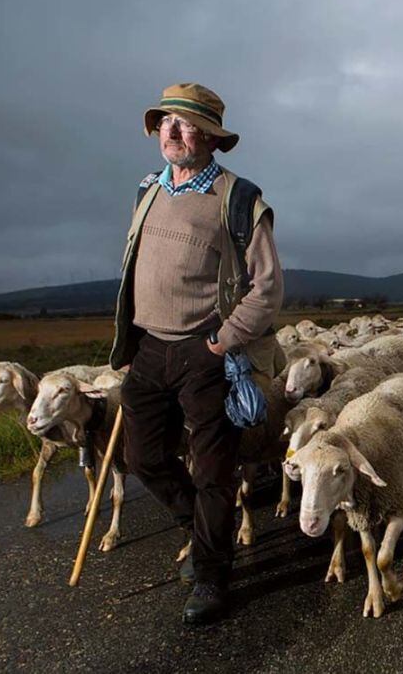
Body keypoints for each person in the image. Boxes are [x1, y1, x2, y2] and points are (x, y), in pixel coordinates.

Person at [109, 83, 284, 625]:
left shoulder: (238, 200)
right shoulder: (148, 190)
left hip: (205, 352)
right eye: (165, 122)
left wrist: (222, 341)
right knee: (145, 458)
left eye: (184, 125)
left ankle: (211, 574)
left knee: (213, 470)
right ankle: (201, 525)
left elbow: (268, 285)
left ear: (209, 136)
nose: (171, 132)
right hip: (148, 349)